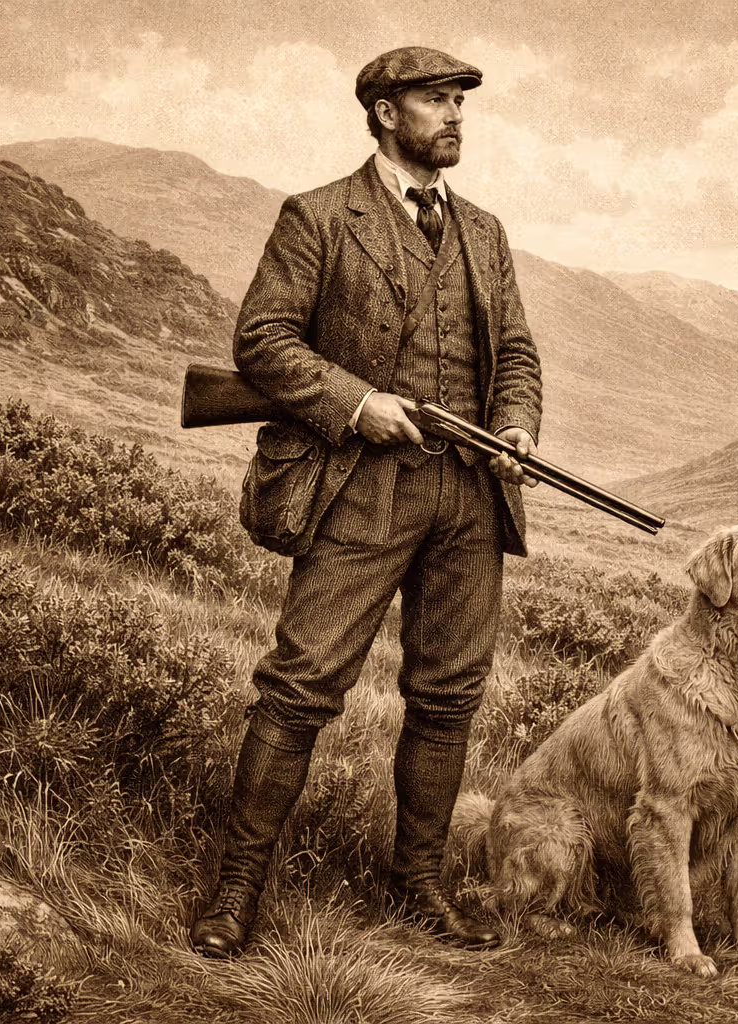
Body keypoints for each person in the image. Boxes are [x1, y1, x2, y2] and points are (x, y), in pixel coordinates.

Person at [189, 46, 542, 958]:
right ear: (386, 114)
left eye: (461, 100)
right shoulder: (318, 217)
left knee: (449, 696)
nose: (456, 115)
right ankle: (234, 893)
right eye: (436, 99)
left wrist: (516, 428)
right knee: (301, 687)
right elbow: (263, 341)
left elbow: (519, 356)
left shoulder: (487, 233)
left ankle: (418, 884)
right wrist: (357, 403)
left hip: (468, 498)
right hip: (361, 489)